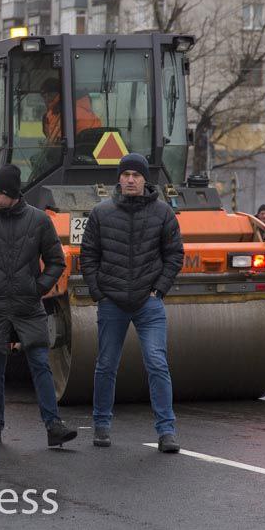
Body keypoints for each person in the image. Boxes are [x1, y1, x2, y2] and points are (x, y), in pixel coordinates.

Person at [0, 165, 78, 447]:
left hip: (28, 306)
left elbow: (56, 262)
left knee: (40, 364)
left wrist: (37, 288)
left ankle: (53, 426)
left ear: (12, 194)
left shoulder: (38, 221)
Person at [80, 153, 184, 453]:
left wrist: (159, 290)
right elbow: (88, 255)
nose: (129, 179)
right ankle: (101, 425)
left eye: (135, 175)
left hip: (148, 303)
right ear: (119, 179)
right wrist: (98, 292)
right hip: (111, 301)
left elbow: (174, 254)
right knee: (106, 365)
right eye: (125, 174)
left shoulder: (163, 213)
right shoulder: (101, 213)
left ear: (144, 180)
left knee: (157, 363)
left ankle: (167, 431)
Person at [41, 78, 103, 144]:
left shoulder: (77, 113)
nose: (47, 99)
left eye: (50, 95)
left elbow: (87, 145)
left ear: (62, 94)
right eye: (44, 96)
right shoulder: (50, 115)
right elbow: (52, 141)